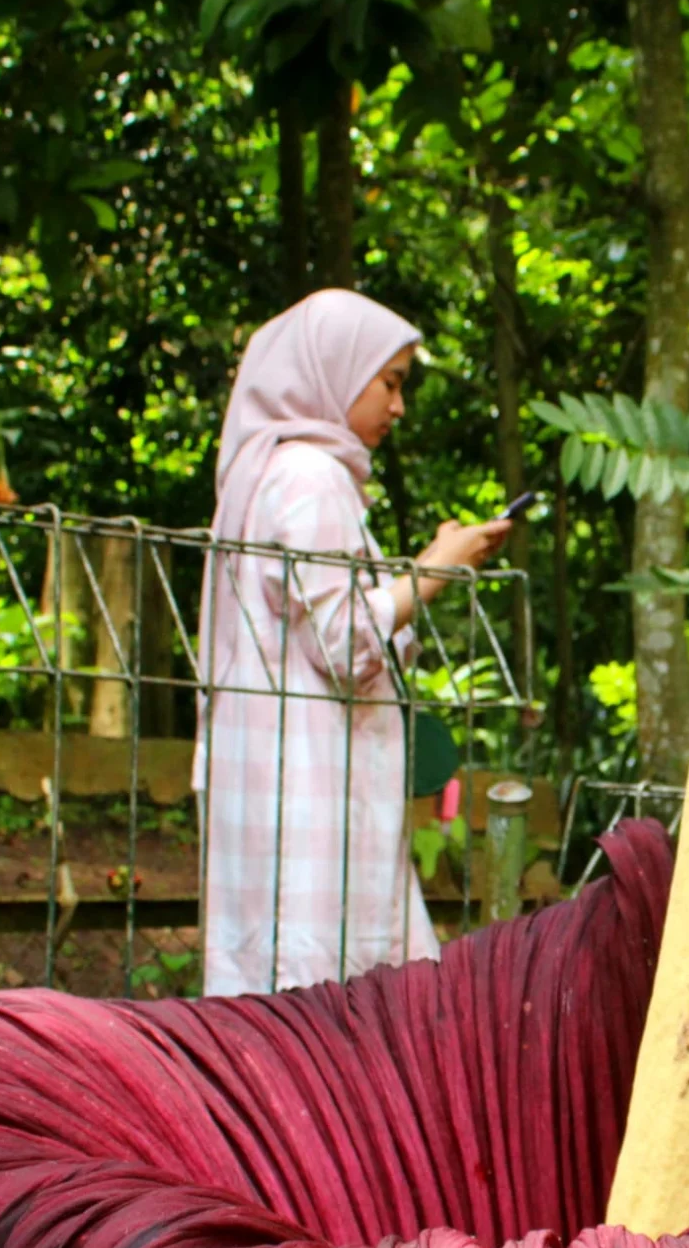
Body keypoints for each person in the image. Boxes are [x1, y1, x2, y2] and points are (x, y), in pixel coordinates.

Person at [195, 290, 510, 996]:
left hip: (283, 770)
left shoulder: (270, 471)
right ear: (332, 369)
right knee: (327, 993)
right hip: (313, 780)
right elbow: (343, 643)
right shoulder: (311, 477)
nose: (398, 407)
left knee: (276, 987)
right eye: (390, 382)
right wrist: (436, 568)